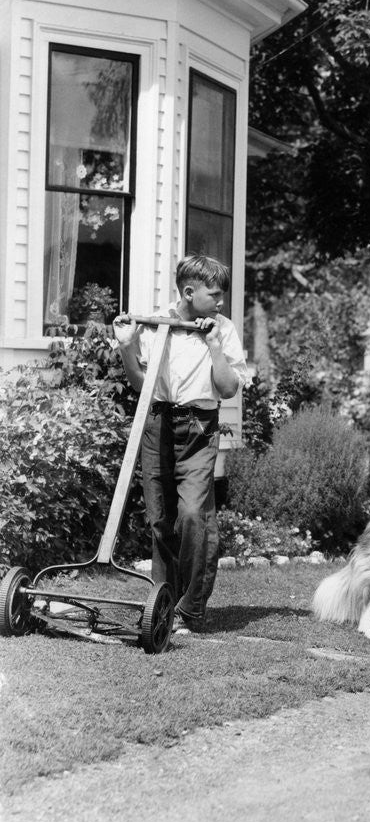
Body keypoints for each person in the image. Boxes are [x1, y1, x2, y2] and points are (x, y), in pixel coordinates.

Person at [113, 255, 248, 633]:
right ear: (189, 292)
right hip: (158, 420)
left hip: (198, 427)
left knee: (193, 515)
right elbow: (141, 383)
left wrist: (214, 346)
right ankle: (163, 605)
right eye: (215, 294)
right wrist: (127, 346)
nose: (221, 302)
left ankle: (191, 609)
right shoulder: (158, 325)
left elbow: (226, 388)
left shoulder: (223, 329)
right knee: (161, 519)